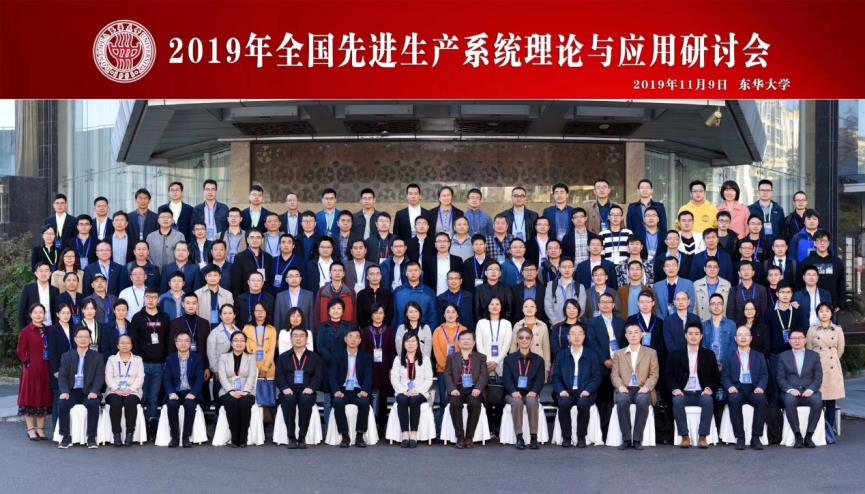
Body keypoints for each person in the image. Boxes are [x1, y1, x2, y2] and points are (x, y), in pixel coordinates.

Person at [667, 324, 720, 448]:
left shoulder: (708, 354)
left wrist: (709, 388)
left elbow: (716, 377)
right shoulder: (675, 354)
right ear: (685, 336)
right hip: (683, 392)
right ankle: (685, 436)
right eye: (690, 334)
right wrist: (675, 389)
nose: (693, 337)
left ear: (701, 336)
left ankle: (703, 436)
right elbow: (669, 375)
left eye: (696, 334)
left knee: (708, 400)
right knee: (677, 401)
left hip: (701, 392)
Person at [612, 323, 660, 450]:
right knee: (622, 400)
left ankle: (638, 439)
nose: (633, 335)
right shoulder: (619, 354)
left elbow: (654, 374)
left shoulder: (651, 352)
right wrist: (620, 386)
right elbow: (614, 375)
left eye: (636, 332)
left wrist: (647, 387)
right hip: (625, 388)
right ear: (626, 336)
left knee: (642, 400)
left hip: (643, 388)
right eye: (630, 333)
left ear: (642, 335)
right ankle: (626, 439)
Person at [552, 323, 601, 448]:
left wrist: (588, 390)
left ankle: (581, 436)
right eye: (573, 334)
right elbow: (556, 376)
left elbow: (596, 377)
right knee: (563, 403)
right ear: (568, 337)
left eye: (580, 333)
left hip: (585, 391)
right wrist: (561, 390)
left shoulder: (591, 355)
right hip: (567, 391)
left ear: (584, 336)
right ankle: (566, 437)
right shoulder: (562, 355)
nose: (577, 336)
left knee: (583, 403)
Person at [56, 326, 105, 449]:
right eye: (80, 337)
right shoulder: (66, 356)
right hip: (72, 391)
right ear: (75, 339)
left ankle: (91, 437)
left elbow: (100, 376)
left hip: (89, 391)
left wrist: (94, 391)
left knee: (93, 404)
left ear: (90, 340)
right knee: (63, 403)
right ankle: (66, 437)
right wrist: (64, 391)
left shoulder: (97, 357)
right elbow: (62, 376)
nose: (83, 339)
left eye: (86, 337)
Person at [722, 325, 769, 450]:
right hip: (737, 388)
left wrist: (761, 387)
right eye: (740, 335)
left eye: (746, 335)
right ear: (735, 338)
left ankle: (756, 438)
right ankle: (740, 438)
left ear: (751, 338)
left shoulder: (759, 356)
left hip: (754, 388)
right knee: (733, 400)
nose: (743, 337)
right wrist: (730, 387)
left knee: (761, 400)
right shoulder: (729, 356)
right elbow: (725, 376)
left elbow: (764, 375)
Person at [130, 288, 170, 431]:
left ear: (158, 300)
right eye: (148, 297)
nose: (150, 300)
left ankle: (151, 424)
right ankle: (139, 426)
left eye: (154, 297)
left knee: (153, 397)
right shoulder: (137, 317)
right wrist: (137, 361)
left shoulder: (164, 317)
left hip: (159, 364)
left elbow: (168, 340)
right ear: (144, 299)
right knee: (141, 395)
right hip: (142, 364)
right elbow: (133, 341)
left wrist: (166, 360)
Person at [275, 327, 323, 449]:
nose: (298, 338)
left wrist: (311, 388)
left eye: (301, 336)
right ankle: (291, 436)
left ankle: (302, 437)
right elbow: (279, 376)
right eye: (295, 336)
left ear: (307, 339)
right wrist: (284, 388)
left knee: (305, 400)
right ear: (291, 339)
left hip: (307, 390)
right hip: (289, 390)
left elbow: (318, 376)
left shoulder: (315, 357)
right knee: (288, 400)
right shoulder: (283, 357)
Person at [777, 328, 823, 448]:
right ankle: (797, 436)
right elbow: (780, 378)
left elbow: (818, 377)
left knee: (817, 401)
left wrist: (811, 389)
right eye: (793, 338)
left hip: (809, 390)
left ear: (805, 340)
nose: (797, 341)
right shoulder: (783, 356)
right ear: (789, 341)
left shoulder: (814, 356)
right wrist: (790, 390)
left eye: (800, 338)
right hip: (791, 391)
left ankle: (809, 436)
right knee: (789, 401)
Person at [443, 331, 488, 449]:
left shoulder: (481, 357)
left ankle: (469, 437)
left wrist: (478, 388)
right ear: (458, 342)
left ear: (474, 342)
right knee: (454, 403)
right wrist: (452, 389)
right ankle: (460, 436)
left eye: (469, 339)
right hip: (457, 388)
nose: (466, 341)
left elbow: (484, 375)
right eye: (463, 339)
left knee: (474, 403)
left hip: (474, 389)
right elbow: (447, 374)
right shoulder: (452, 357)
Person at [330, 327, 374, 447]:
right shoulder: (337, 356)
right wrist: (336, 391)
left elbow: (369, 376)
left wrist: (365, 390)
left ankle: (359, 435)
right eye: (350, 336)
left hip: (358, 390)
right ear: (345, 339)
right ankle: (345, 436)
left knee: (364, 402)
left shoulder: (366, 357)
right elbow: (332, 376)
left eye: (356, 337)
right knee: (337, 402)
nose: (353, 340)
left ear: (360, 340)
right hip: (343, 390)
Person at [503, 327, 545, 450]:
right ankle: (519, 437)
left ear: (531, 340)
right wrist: (513, 391)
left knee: (532, 401)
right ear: (517, 339)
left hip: (531, 392)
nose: (524, 340)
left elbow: (540, 379)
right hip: (513, 393)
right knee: (517, 402)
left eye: (527, 338)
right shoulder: (509, 359)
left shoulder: (538, 360)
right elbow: (506, 379)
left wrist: (534, 391)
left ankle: (533, 437)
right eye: (521, 338)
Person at [475, 297, 513, 433]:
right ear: (488, 307)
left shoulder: (507, 324)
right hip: (484, 363)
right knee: (487, 395)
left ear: (501, 307)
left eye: (498, 304)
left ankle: (497, 426)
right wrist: (486, 361)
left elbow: (507, 345)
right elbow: (479, 343)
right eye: (492, 304)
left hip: (501, 363)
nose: (495, 306)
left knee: (499, 395)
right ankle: (489, 426)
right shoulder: (481, 323)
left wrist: (496, 362)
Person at [390, 332, 434, 448]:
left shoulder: (425, 359)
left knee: (414, 400)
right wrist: (404, 390)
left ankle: (414, 433)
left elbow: (429, 379)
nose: (410, 344)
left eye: (413, 341)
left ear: (418, 343)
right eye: (408, 341)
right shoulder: (398, 359)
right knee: (402, 400)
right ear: (403, 344)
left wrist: (417, 390)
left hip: (420, 391)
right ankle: (405, 433)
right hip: (402, 390)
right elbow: (394, 378)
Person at [806, 302, 845, 433]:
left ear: (831, 313)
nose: (824, 313)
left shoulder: (838, 329)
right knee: (818, 398)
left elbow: (840, 349)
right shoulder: (812, 330)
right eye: (821, 311)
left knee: (831, 399)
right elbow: (809, 349)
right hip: (816, 367)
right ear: (817, 314)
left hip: (832, 367)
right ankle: (818, 428)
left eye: (827, 311)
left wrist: (832, 358)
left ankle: (829, 428)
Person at [17, 303, 53, 441]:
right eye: (35, 312)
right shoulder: (26, 331)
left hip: (46, 368)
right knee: (30, 398)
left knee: (43, 397)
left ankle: (40, 429)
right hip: (31, 370)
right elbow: (20, 350)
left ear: (45, 314)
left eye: (41, 312)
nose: (38, 315)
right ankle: (31, 429)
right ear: (30, 314)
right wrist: (27, 362)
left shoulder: (48, 330)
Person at [163, 332, 205, 447]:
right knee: (171, 405)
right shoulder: (170, 359)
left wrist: (193, 393)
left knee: (190, 405)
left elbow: (200, 379)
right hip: (175, 391)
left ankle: (186, 437)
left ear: (190, 343)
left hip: (190, 391)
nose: (183, 343)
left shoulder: (197, 358)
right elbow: (166, 379)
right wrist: (171, 392)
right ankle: (175, 437)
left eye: (186, 341)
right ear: (176, 343)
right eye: (180, 340)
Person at [217, 330, 257, 447]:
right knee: (232, 402)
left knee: (244, 403)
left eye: (242, 341)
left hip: (247, 391)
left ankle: (243, 438)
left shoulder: (251, 357)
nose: (239, 343)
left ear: (245, 343)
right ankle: (235, 438)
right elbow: (222, 377)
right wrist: (231, 391)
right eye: (236, 340)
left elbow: (252, 376)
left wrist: (245, 391)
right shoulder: (223, 357)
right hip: (227, 390)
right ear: (231, 343)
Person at [361, 304, 397, 427]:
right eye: (375, 313)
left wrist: (392, 368)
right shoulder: (366, 331)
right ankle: (371, 424)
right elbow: (363, 351)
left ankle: (382, 425)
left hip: (385, 368)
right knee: (370, 395)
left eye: (381, 313)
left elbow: (392, 351)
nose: (378, 315)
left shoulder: (389, 330)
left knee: (383, 396)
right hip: (370, 368)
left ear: (384, 315)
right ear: (371, 315)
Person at [104, 334, 144, 447]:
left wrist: (130, 389)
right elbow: (108, 377)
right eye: (122, 343)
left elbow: (140, 377)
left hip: (133, 391)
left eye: (127, 343)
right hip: (114, 391)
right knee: (115, 402)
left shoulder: (138, 360)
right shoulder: (111, 359)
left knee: (130, 401)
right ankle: (116, 434)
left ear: (131, 346)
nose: (125, 345)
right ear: (117, 346)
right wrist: (116, 389)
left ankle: (129, 433)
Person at [432, 304, 468, 427]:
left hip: (460, 371)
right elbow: (437, 351)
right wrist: (447, 367)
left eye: (453, 312)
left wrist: (456, 367)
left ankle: (457, 428)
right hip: (442, 370)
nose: (450, 314)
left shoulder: (463, 330)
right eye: (448, 312)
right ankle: (442, 429)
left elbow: (466, 350)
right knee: (444, 400)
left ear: (457, 314)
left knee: (457, 399)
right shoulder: (438, 331)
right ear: (444, 315)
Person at [243, 303, 277, 412]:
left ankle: (266, 419)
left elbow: (271, 351)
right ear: (253, 313)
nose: (260, 313)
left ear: (266, 313)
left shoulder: (271, 329)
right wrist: (253, 368)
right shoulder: (246, 328)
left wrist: (265, 368)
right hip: (251, 366)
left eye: (263, 311)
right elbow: (245, 349)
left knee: (266, 395)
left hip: (268, 366)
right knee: (251, 395)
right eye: (257, 311)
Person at [800, 229, 845, 311]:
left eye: (824, 240)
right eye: (819, 240)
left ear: (829, 243)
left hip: (831, 305)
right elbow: (800, 283)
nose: (822, 243)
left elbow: (841, 284)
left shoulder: (837, 262)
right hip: (810, 304)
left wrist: (840, 304)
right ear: (814, 243)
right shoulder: (806, 262)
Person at [206, 304, 241, 403]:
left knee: (235, 400)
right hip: (220, 373)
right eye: (224, 313)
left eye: (230, 313)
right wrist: (216, 370)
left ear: (234, 315)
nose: (227, 316)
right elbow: (211, 353)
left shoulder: (239, 331)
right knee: (220, 401)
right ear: (220, 316)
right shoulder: (214, 333)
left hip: (236, 373)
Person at [509, 299, 551, 379]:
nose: (529, 309)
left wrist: (547, 367)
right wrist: (511, 364)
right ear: (522, 309)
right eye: (526, 306)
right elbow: (513, 346)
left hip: (538, 360)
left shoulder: (542, 325)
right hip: (521, 360)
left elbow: (546, 348)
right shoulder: (517, 325)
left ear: (536, 309)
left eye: (532, 306)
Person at [392, 261, 438, 329]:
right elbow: (394, 316)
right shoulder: (398, 292)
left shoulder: (429, 293)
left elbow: (433, 318)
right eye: (410, 271)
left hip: (423, 332)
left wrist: (428, 333)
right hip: (402, 332)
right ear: (406, 273)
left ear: (420, 272)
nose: (413, 273)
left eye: (416, 270)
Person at [313, 261, 356, 329]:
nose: (337, 273)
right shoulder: (322, 291)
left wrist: (353, 329)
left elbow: (354, 312)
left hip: (346, 329)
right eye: (334, 270)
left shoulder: (350, 291)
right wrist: (318, 330)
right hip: (326, 328)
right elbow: (317, 312)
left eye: (340, 270)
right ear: (330, 273)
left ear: (343, 274)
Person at [231, 230, 274, 297]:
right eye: (252, 237)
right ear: (247, 240)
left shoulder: (268, 258)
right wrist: (238, 298)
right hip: (246, 296)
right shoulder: (239, 258)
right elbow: (236, 282)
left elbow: (271, 280)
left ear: (262, 240)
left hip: (265, 296)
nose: (255, 240)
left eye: (258, 237)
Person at [545, 258, 586, 324]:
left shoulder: (580, 287)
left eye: (569, 267)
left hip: (574, 325)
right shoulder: (551, 285)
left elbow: (582, 307)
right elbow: (548, 305)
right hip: (556, 324)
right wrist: (555, 321)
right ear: (559, 268)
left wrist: (572, 321)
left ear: (573, 269)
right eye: (564, 267)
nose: (567, 270)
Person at [274, 266, 315, 331]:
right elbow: (277, 318)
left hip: (303, 332)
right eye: (291, 276)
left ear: (300, 279)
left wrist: (311, 334)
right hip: (285, 331)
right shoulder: (280, 296)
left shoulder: (309, 295)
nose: (294, 279)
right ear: (286, 280)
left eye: (296, 276)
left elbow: (311, 318)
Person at [19, 262, 59, 328]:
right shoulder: (28, 289)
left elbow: (57, 310)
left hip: (51, 326)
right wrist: (22, 330)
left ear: (50, 273)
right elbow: (22, 311)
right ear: (36, 273)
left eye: (46, 271)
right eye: (41, 271)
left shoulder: (55, 290)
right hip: (33, 327)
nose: (43, 273)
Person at [702, 293, 737, 366]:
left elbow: (733, 346)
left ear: (723, 306)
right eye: (713, 304)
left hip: (727, 366)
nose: (716, 306)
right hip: (708, 365)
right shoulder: (703, 325)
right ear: (709, 307)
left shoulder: (731, 325)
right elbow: (702, 346)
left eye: (719, 303)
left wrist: (725, 364)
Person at [748, 179, 785, 243]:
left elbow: (782, 230)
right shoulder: (750, 209)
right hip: (757, 245)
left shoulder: (779, 209)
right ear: (758, 192)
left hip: (775, 245)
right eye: (762, 190)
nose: (765, 193)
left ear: (772, 192)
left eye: (768, 190)